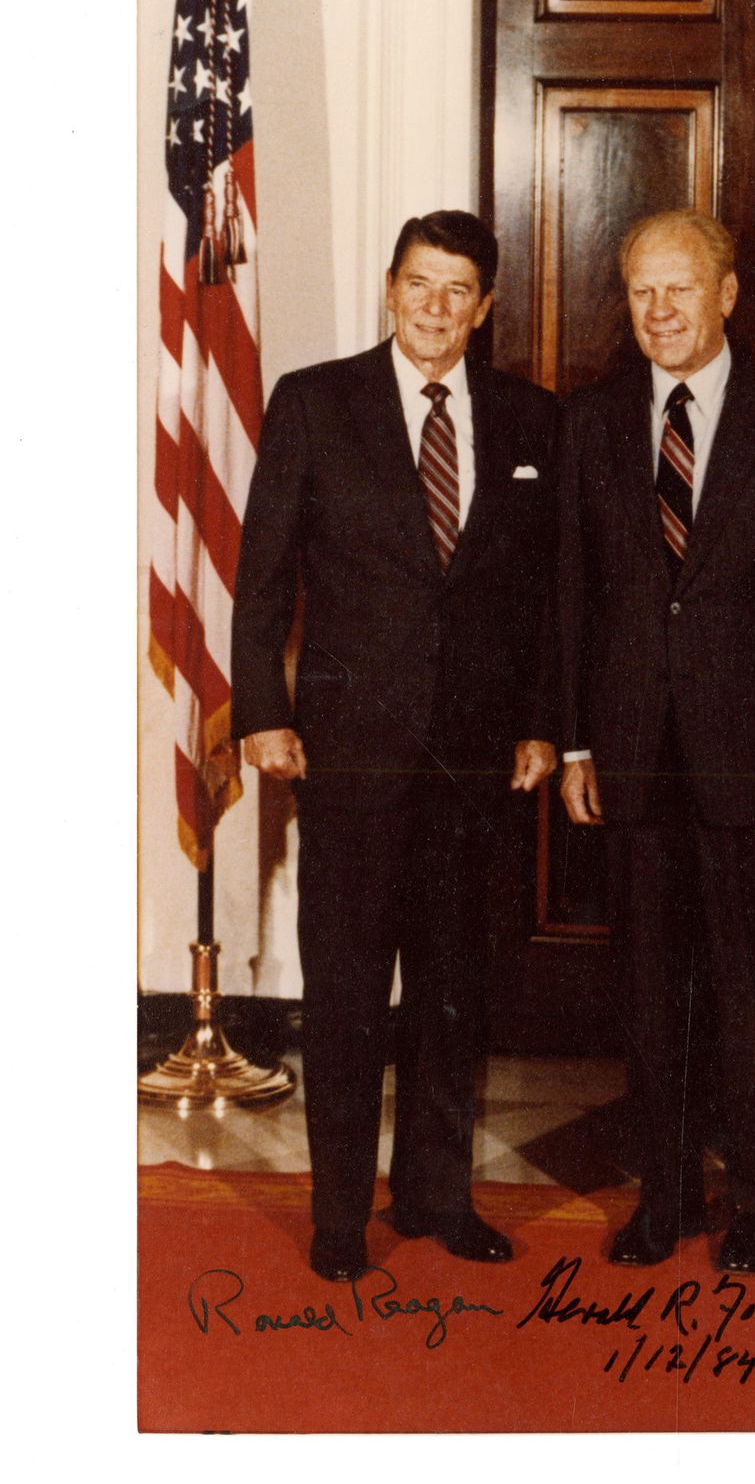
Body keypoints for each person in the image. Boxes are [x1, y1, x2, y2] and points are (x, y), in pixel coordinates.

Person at [232, 210, 559, 1283]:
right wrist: (263, 713)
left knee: (454, 990)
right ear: (389, 287)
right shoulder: (315, 402)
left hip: (474, 767)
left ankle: (437, 1197)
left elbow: (546, 602)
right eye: (419, 283)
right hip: (349, 756)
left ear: (485, 305)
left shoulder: (527, 420)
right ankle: (339, 1214)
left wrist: (542, 722)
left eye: (457, 289)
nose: (435, 306)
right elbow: (264, 576)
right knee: (345, 993)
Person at [557, 209, 755, 1276]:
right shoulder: (590, 421)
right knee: (648, 994)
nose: (660, 310)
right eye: (641, 290)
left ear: (727, 294)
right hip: (633, 753)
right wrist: (580, 744)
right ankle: (665, 1196)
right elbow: (570, 596)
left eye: (680, 288)